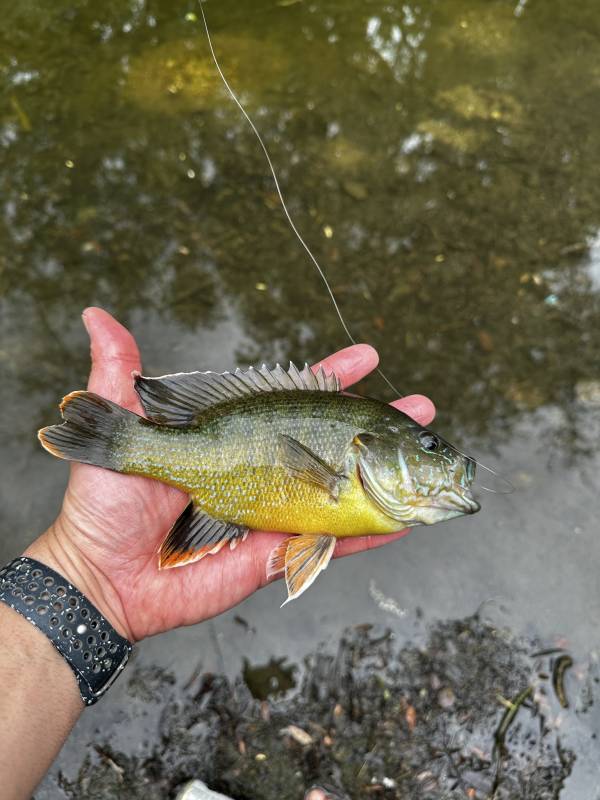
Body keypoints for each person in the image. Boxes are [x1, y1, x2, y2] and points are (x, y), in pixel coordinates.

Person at [0, 308, 435, 800]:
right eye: (431, 447)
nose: (444, 460)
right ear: (373, 448)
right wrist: (84, 567)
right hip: (215, 485)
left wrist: (83, 573)